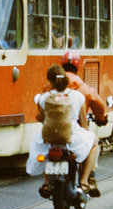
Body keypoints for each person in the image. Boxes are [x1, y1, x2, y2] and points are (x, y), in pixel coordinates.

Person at [27, 53, 102, 197]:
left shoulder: (44, 97)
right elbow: (83, 122)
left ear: (50, 80)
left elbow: (41, 117)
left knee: (43, 153)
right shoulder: (77, 96)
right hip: (71, 136)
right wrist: (84, 127)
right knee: (94, 141)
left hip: (48, 137)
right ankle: (85, 182)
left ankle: (47, 183)